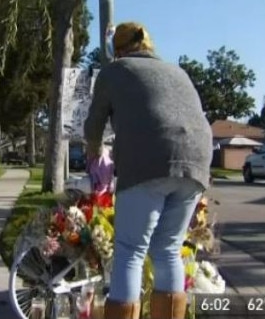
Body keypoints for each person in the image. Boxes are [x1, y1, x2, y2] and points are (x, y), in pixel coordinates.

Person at [84, 22, 213, 319]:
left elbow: (93, 127)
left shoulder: (114, 71)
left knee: (130, 249)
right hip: (196, 162)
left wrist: (94, 157)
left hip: (149, 161)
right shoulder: (178, 72)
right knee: (168, 248)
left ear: (118, 50)